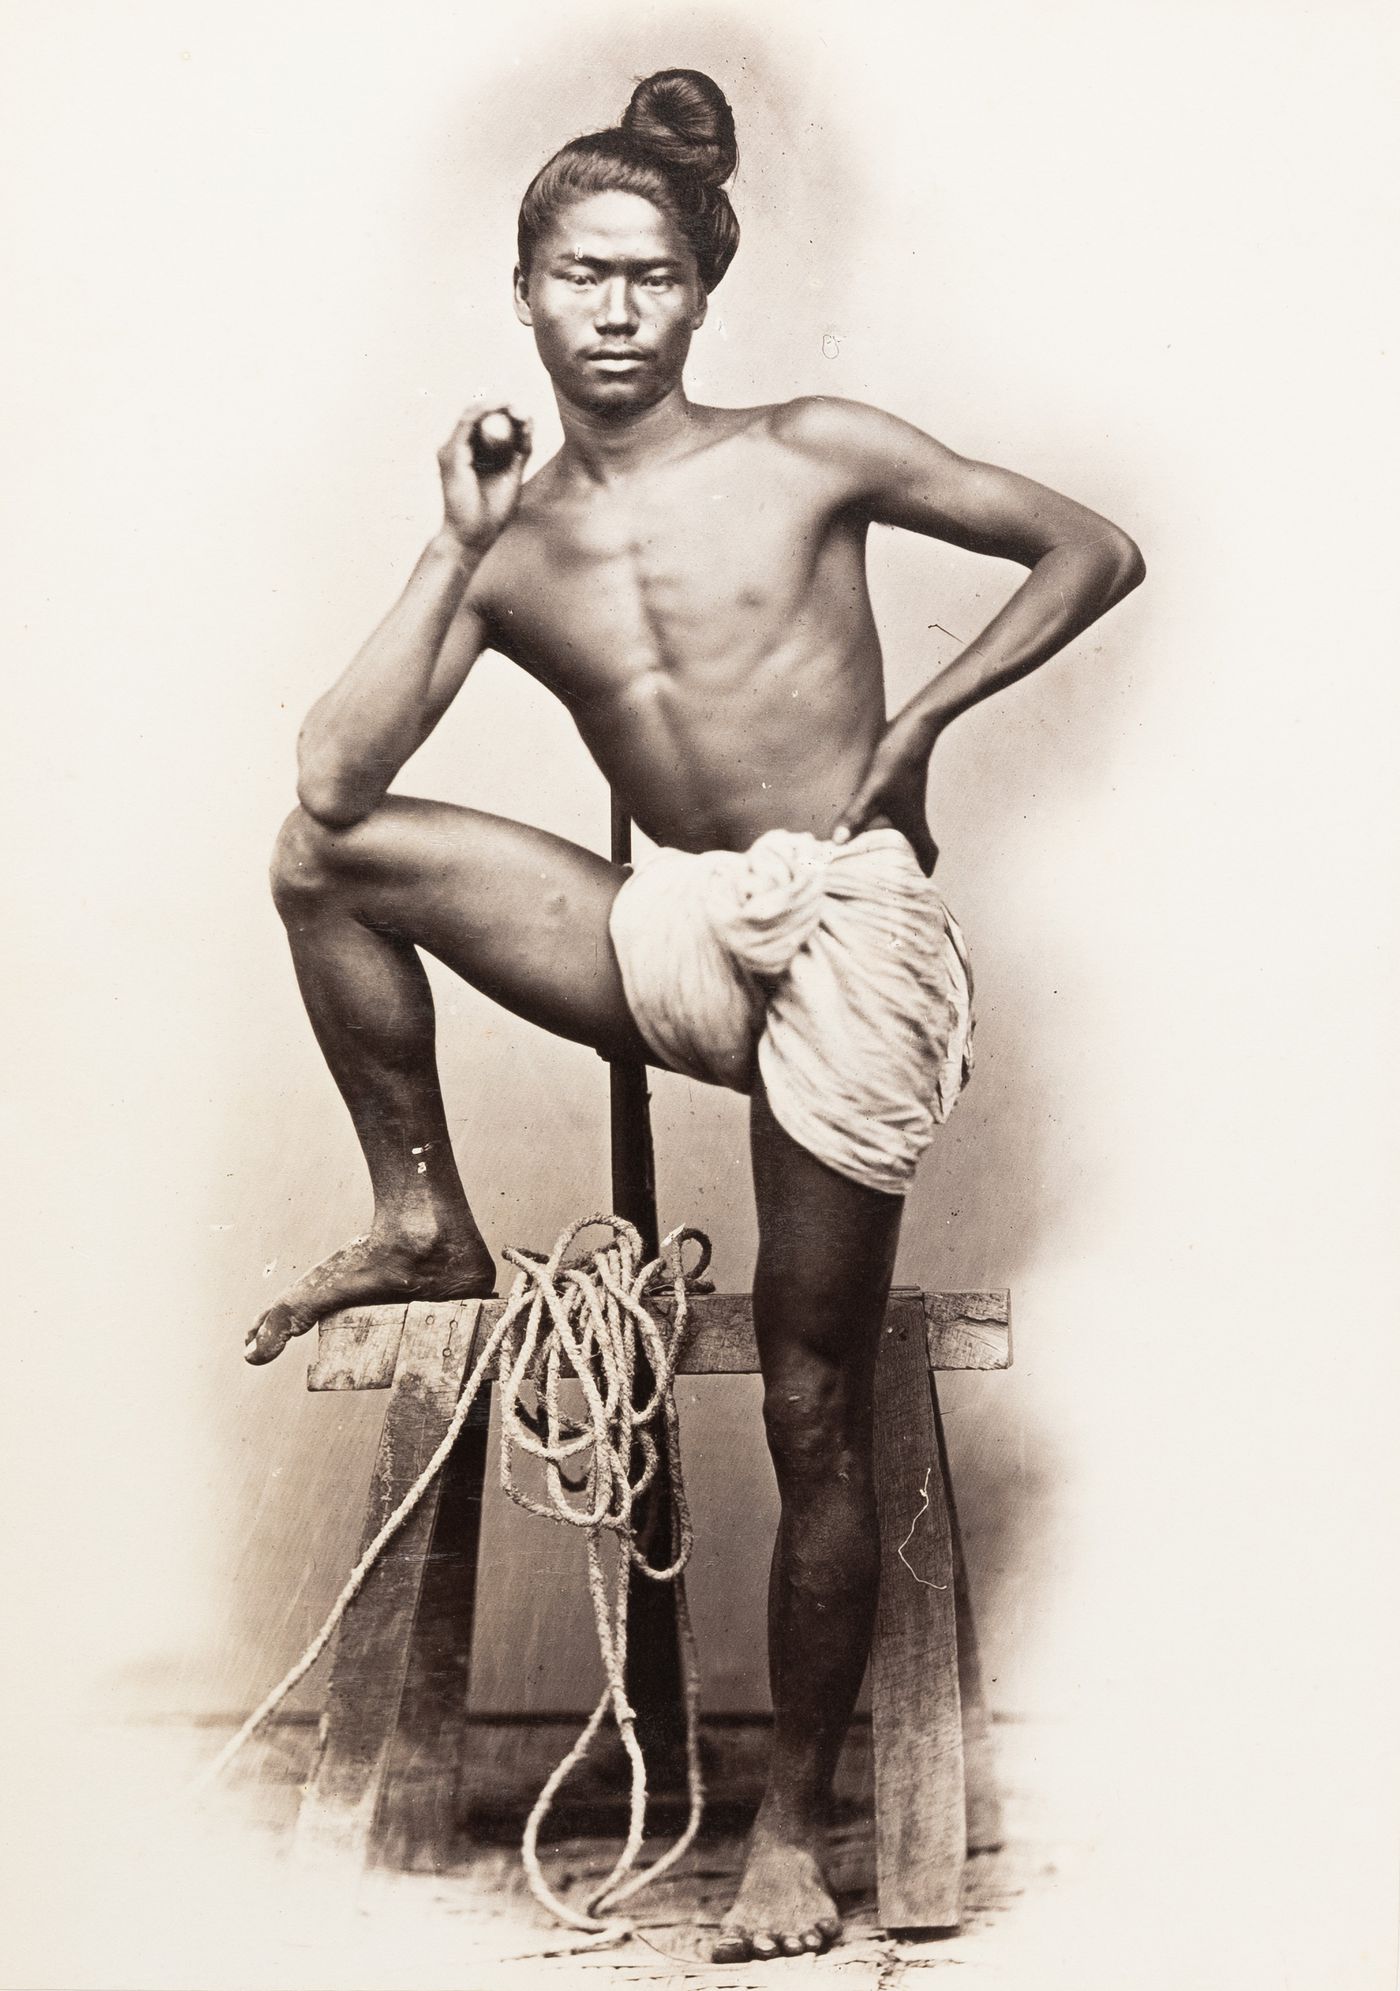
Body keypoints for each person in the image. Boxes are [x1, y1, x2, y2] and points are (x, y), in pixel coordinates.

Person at [245, 69, 1144, 1962]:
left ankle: (792, 1837)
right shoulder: (510, 537)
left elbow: (1092, 545)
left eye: (651, 275)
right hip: (667, 926)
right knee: (319, 859)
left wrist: (914, 730)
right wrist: (449, 541)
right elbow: (334, 782)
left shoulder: (816, 444)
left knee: (814, 1403)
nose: (619, 309)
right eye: (583, 275)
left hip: (847, 934)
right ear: (525, 291)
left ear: (701, 292)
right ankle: (426, 1213)